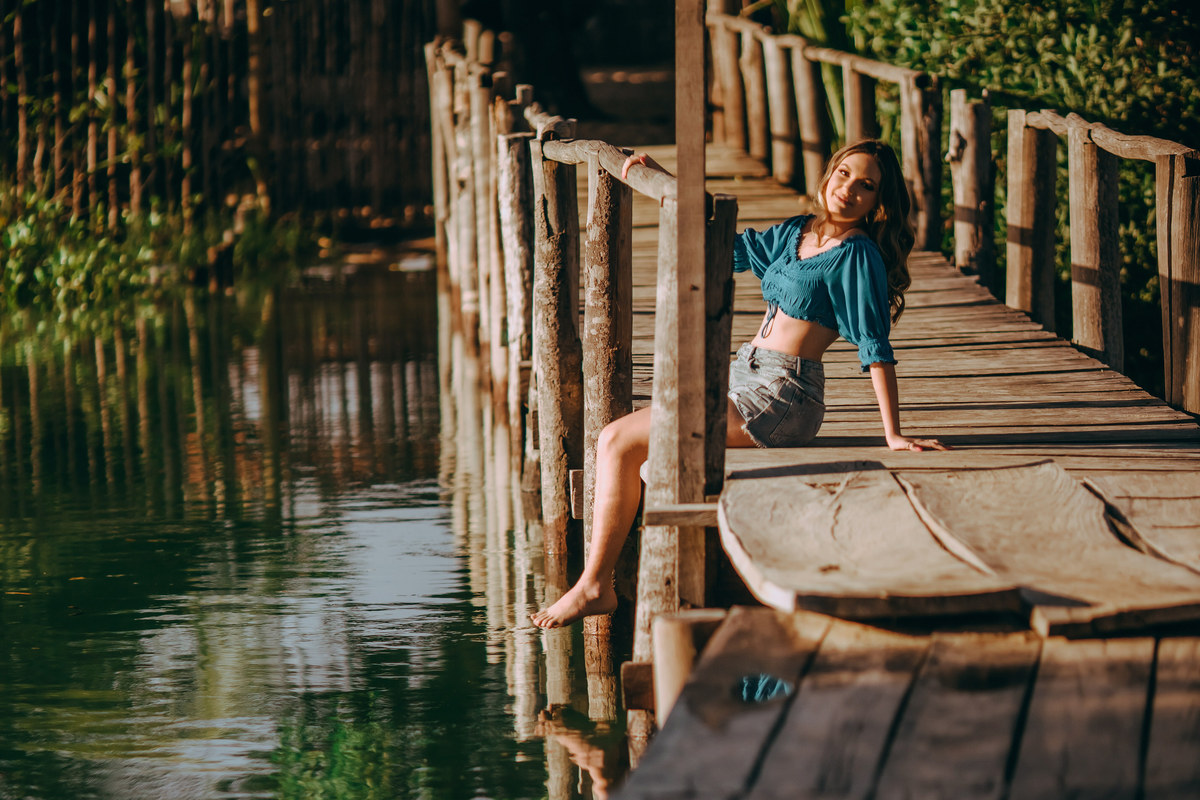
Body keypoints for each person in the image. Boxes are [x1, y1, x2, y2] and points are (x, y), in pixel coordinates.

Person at [530, 139, 948, 629]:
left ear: (879, 201)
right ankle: (598, 581)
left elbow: (874, 346)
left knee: (616, 440)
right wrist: (669, 180)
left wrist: (892, 435)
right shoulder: (797, 231)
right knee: (628, 448)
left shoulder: (858, 256)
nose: (849, 189)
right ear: (827, 174)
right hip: (741, 372)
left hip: (783, 396)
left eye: (867, 185)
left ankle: (596, 585)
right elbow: (724, 245)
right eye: (843, 174)